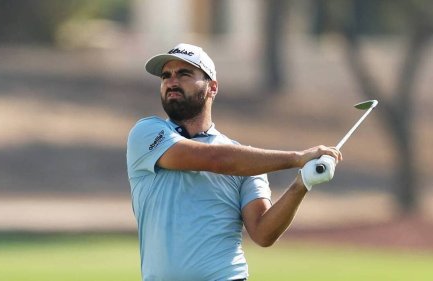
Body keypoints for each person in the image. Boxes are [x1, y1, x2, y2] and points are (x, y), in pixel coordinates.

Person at [126, 43, 342, 281]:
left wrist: (301, 184)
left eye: (184, 74)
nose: (171, 81)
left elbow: (263, 233)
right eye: (166, 76)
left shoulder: (245, 159)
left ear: (212, 87)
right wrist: (296, 158)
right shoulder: (147, 133)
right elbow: (215, 159)